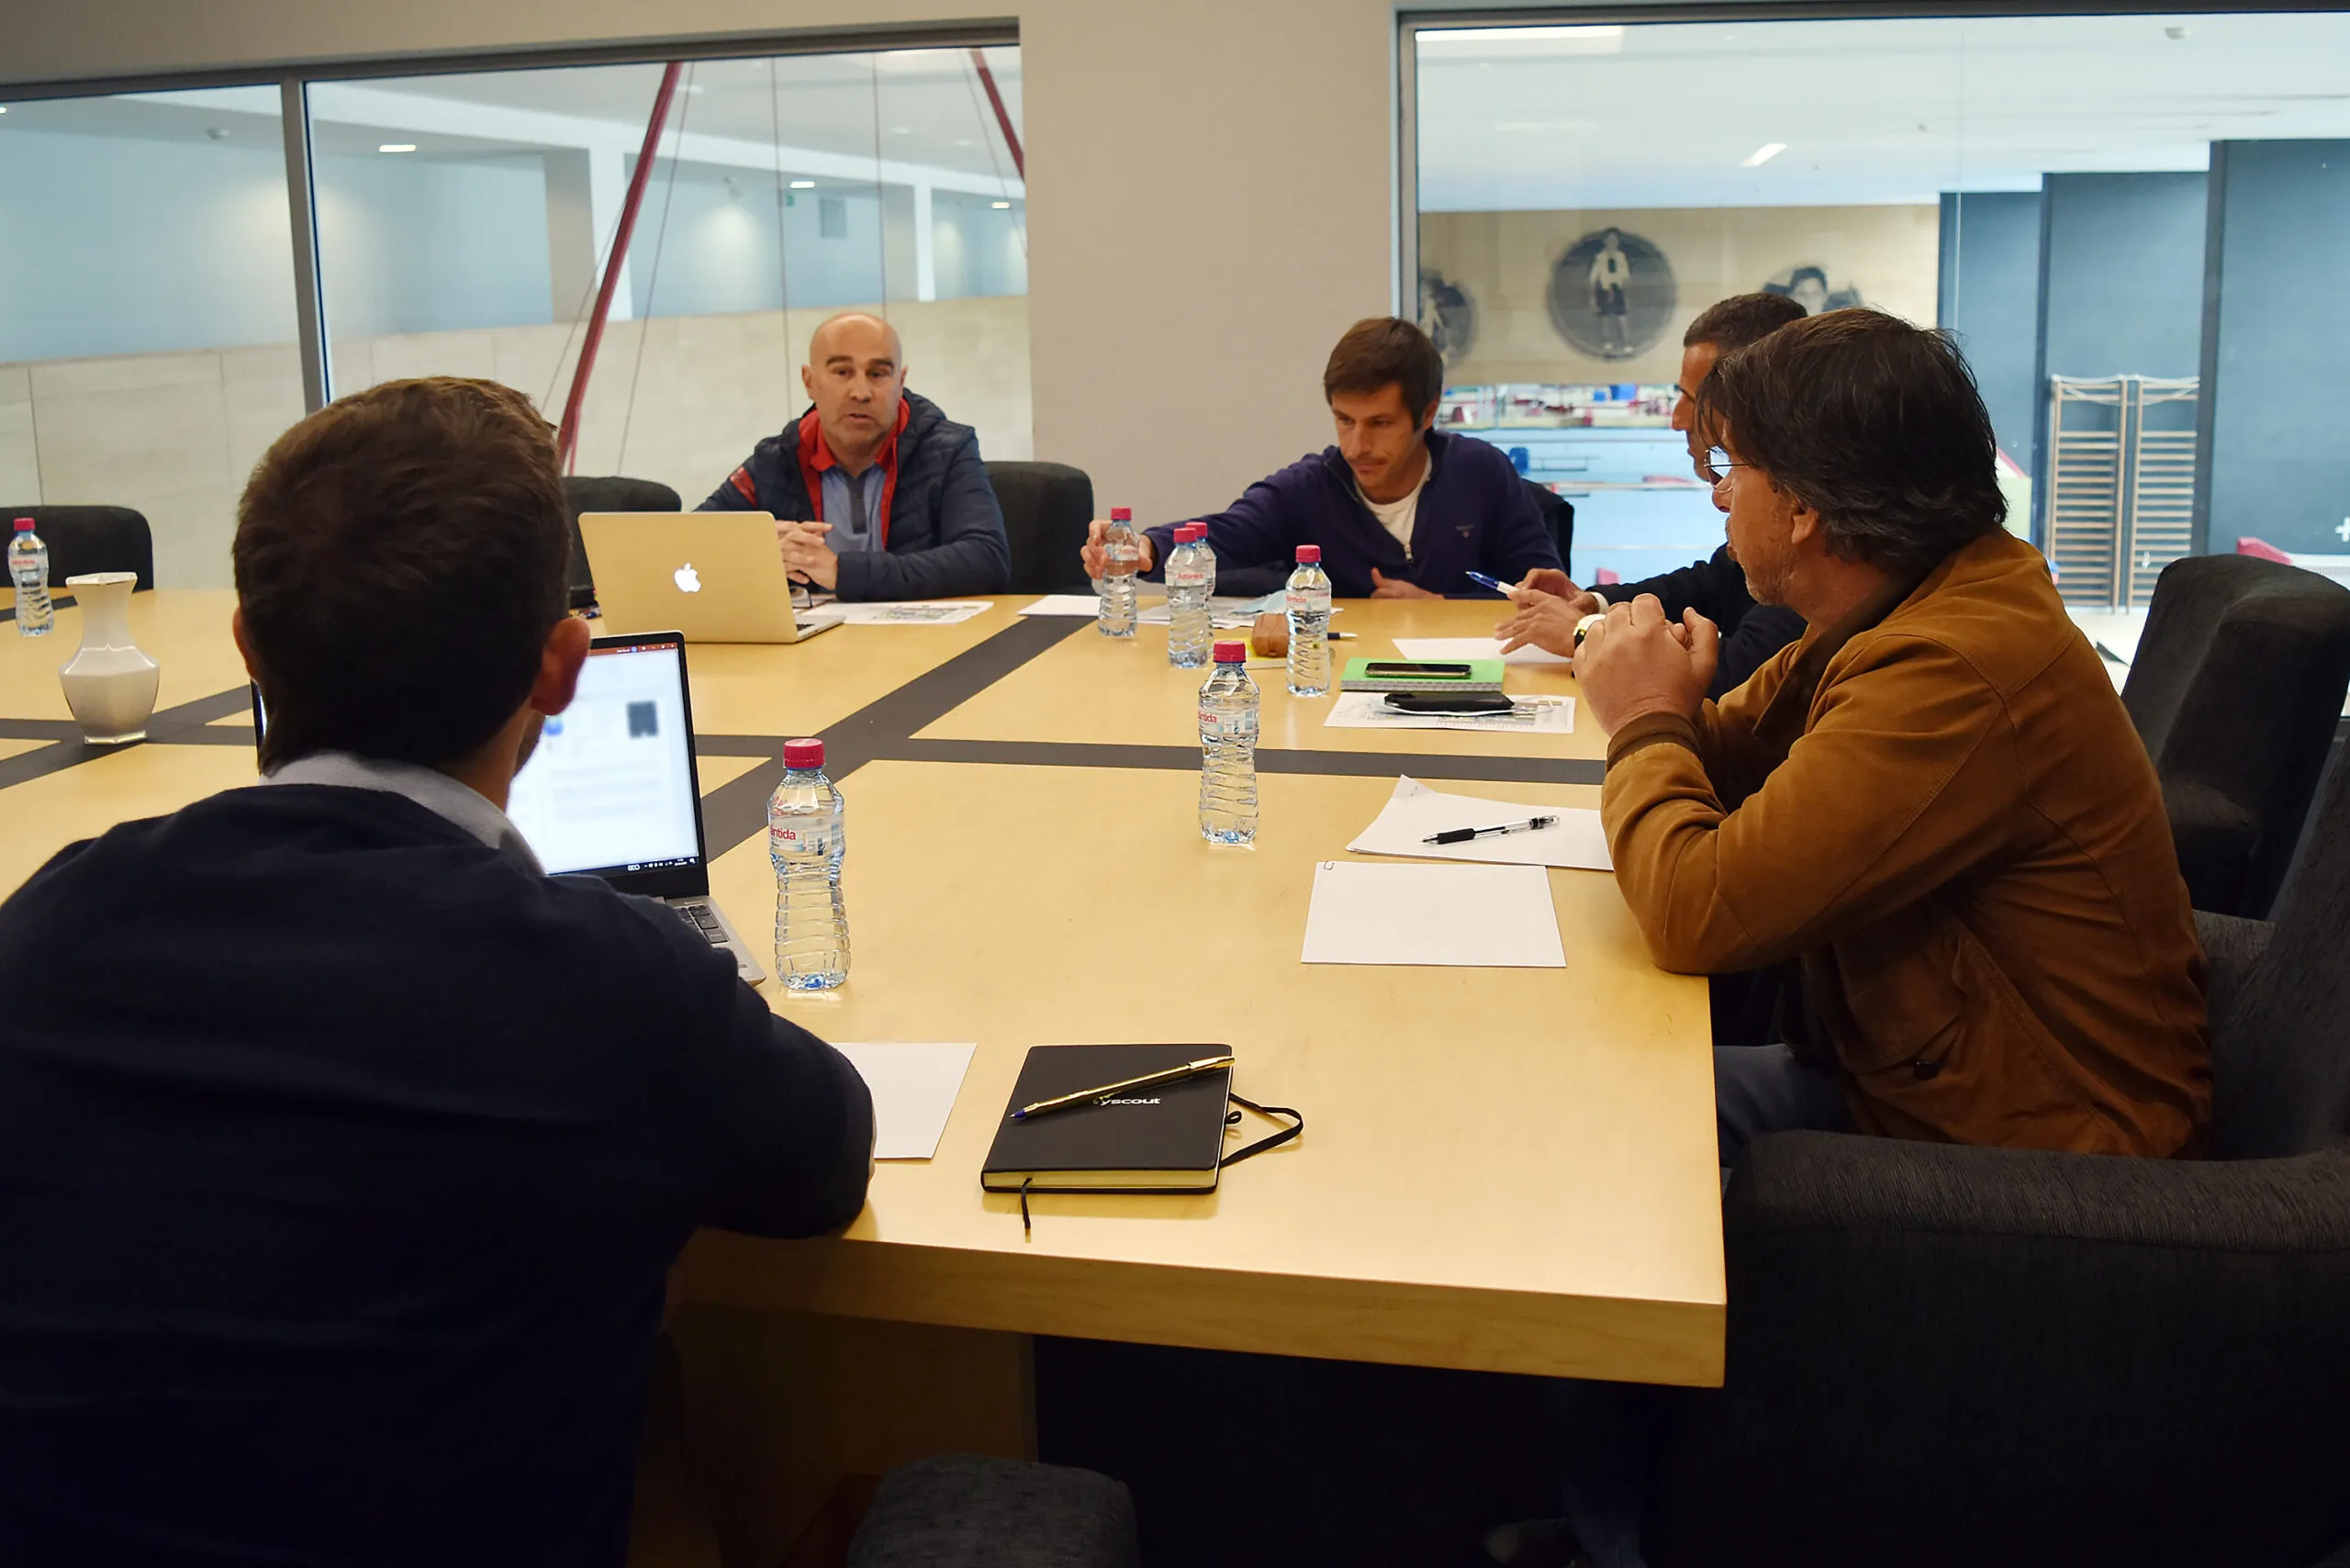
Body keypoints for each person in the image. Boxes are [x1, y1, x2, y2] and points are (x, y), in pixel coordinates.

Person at [0, 377, 874, 1566]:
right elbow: (826, 1162)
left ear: (248, 647)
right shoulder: (608, 983)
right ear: (562, 669)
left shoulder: (48, 930)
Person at [1488, 308, 2210, 1568]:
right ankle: (1615, 1501)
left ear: (1810, 509)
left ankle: (1631, 1540)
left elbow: (1697, 909)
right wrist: (1665, 706)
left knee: (1596, 1154)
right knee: (1579, 1108)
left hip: (2037, 1153)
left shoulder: (1956, 666)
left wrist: (1644, 720)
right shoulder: (1899, 604)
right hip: (1922, 1071)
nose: (1719, 497)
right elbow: (1722, 749)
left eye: (1734, 468)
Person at [1078, 317, 1561, 599]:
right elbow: (1230, 531)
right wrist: (1148, 547)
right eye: (1344, 420)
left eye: (1380, 423)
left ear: (1427, 413)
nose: (1356, 446)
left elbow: (1548, 595)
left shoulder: (1481, 472)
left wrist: (1440, 606)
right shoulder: (1312, 486)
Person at [1494, 293, 1807, 698]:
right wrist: (1594, 603)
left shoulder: (1808, 534)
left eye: (1693, 400)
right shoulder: (1777, 523)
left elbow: (1746, 674)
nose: (1677, 419)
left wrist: (1585, 633)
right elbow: (1711, 583)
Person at [701, 309, 1011, 601]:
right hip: (814, 638)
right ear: (809, 382)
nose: (861, 392)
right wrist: (753, 549)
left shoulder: (947, 449)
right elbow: (688, 546)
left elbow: (987, 559)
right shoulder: (776, 460)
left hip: (925, 636)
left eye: (878, 374)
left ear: (900, 382)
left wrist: (841, 572)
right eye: (842, 372)